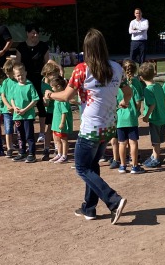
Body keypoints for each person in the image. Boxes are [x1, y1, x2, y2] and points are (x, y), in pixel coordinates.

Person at [45, 28, 128, 224]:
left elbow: (66, 96)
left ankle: (113, 200)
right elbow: (128, 91)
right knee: (91, 166)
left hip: (91, 127)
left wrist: (49, 95)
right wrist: (123, 101)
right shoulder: (117, 68)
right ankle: (89, 208)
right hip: (108, 126)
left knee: (82, 168)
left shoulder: (82, 69)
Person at [15, 23, 62, 155]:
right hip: (25, 79)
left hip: (39, 78)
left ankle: (42, 132)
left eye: (36, 33)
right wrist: (17, 76)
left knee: (42, 106)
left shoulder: (43, 46)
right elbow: (18, 63)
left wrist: (59, 66)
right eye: (32, 32)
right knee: (24, 104)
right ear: (27, 33)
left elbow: (47, 61)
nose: (34, 35)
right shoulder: (21, 47)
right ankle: (22, 132)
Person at [114, 60, 143, 174]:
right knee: (133, 142)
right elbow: (138, 100)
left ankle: (122, 165)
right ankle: (135, 166)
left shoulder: (119, 82)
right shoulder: (135, 82)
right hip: (131, 116)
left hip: (120, 117)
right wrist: (137, 111)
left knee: (122, 142)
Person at [9, 62, 40, 163]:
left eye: (22, 74)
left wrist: (25, 110)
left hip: (28, 115)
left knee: (29, 135)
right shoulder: (14, 86)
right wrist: (14, 108)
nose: (20, 77)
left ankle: (31, 154)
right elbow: (12, 99)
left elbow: (35, 99)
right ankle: (21, 152)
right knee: (20, 135)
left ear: (25, 73)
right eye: (18, 75)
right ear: (14, 76)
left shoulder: (29, 85)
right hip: (17, 116)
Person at [141, 62, 165, 168]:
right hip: (162, 117)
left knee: (155, 141)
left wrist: (146, 116)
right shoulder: (158, 86)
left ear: (141, 78)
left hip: (155, 118)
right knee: (158, 139)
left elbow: (152, 104)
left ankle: (156, 158)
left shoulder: (147, 90)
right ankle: (153, 155)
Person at [49, 76, 73, 164]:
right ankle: (59, 154)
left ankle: (64, 155)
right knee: (57, 139)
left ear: (58, 86)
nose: (51, 89)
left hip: (61, 123)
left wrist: (62, 123)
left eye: (53, 87)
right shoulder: (56, 98)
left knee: (63, 139)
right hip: (56, 122)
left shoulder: (63, 99)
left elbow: (64, 112)